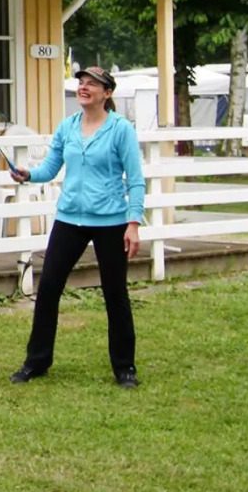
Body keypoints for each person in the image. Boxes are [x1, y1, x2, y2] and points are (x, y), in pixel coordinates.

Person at [8, 66, 145, 389]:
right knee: (49, 288)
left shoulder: (120, 130)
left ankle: (125, 368)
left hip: (110, 221)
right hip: (69, 219)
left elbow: (136, 181)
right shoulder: (67, 127)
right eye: (81, 83)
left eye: (92, 84)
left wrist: (133, 223)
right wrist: (29, 175)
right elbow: (51, 168)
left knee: (115, 294)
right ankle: (36, 362)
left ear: (107, 94)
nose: (83, 88)